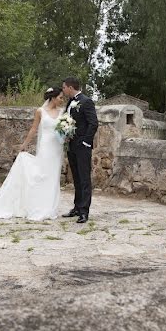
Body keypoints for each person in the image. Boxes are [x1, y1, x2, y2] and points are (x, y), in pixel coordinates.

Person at [0, 87, 66, 221]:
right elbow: (33, 129)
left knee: (53, 176)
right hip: (45, 147)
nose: (62, 100)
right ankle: (39, 206)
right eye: (60, 97)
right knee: (42, 175)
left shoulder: (62, 112)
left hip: (57, 148)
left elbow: (65, 128)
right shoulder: (40, 111)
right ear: (53, 98)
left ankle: (50, 207)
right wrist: (24, 145)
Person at [60, 77, 99, 223]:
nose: (63, 90)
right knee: (76, 177)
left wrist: (85, 141)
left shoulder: (86, 101)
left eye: (64, 88)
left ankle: (84, 211)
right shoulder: (70, 102)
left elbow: (93, 123)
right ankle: (77, 207)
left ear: (70, 87)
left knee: (84, 179)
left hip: (82, 146)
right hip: (71, 145)